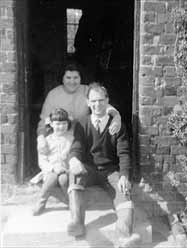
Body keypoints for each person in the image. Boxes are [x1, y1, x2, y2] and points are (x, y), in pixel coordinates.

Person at [67, 83, 140, 247]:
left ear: (107, 101)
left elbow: (124, 152)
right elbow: (76, 146)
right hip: (90, 170)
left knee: (124, 193)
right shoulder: (82, 123)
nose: (97, 104)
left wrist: (124, 176)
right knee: (75, 173)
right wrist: (73, 159)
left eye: (101, 100)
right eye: (93, 101)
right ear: (87, 102)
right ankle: (77, 223)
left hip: (110, 171)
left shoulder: (117, 125)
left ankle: (124, 237)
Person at [37, 63, 121, 152]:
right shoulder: (53, 95)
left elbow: (103, 104)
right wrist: (41, 138)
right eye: (68, 78)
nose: (72, 82)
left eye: (76, 78)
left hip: (84, 140)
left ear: (81, 78)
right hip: (61, 142)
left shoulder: (86, 90)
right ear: (62, 78)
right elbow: (44, 121)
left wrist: (116, 116)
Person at [32, 108, 74, 216]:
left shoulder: (71, 139)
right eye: (58, 124)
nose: (61, 126)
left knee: (63, 179)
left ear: (68, 123)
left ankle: (71, 201)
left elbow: (74, 155)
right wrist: (53, 168)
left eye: (64, 123)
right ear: (51, 124)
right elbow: (42, 161)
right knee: (53, 176)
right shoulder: (46, 141)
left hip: (66, 170)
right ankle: (41, 202)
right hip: (50, 171)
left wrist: (66, 168)